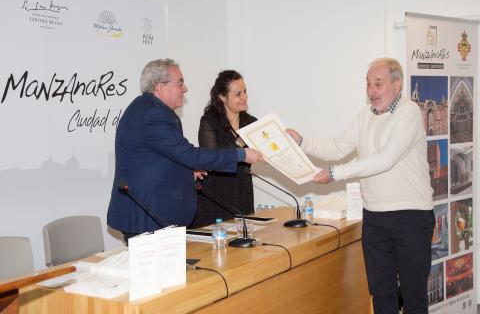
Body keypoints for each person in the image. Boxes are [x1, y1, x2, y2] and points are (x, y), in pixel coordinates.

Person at [287, 57, 434, 313]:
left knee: (413, 296)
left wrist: (335, 173)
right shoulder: (363, 117)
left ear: (397, 85)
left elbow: (384, 160)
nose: (371, 91)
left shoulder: (409, 112)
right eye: (368, 85)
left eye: (378, 84)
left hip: (411, 217)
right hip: (375, 217)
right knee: (381, 293)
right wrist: (302, 142)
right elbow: (337, 147)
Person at [107, 59, 263, 242]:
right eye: (180, 82)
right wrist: (241, 154)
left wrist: (188, 171)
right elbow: (189, 154)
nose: (185, 88)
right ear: (159, 87)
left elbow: (165, 156)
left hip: (154, 214)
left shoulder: (152, 109)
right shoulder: (153, 115)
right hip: (147, 216)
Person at [190, 70, 256, 228]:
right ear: (222, 97)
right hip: (216, 195)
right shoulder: (209, 122)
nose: (244, 97)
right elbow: (211, 160)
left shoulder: (252, 123)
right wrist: (241, 147)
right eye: (238, 94)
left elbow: (265, 152)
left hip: (243, 193)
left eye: (245, 92)